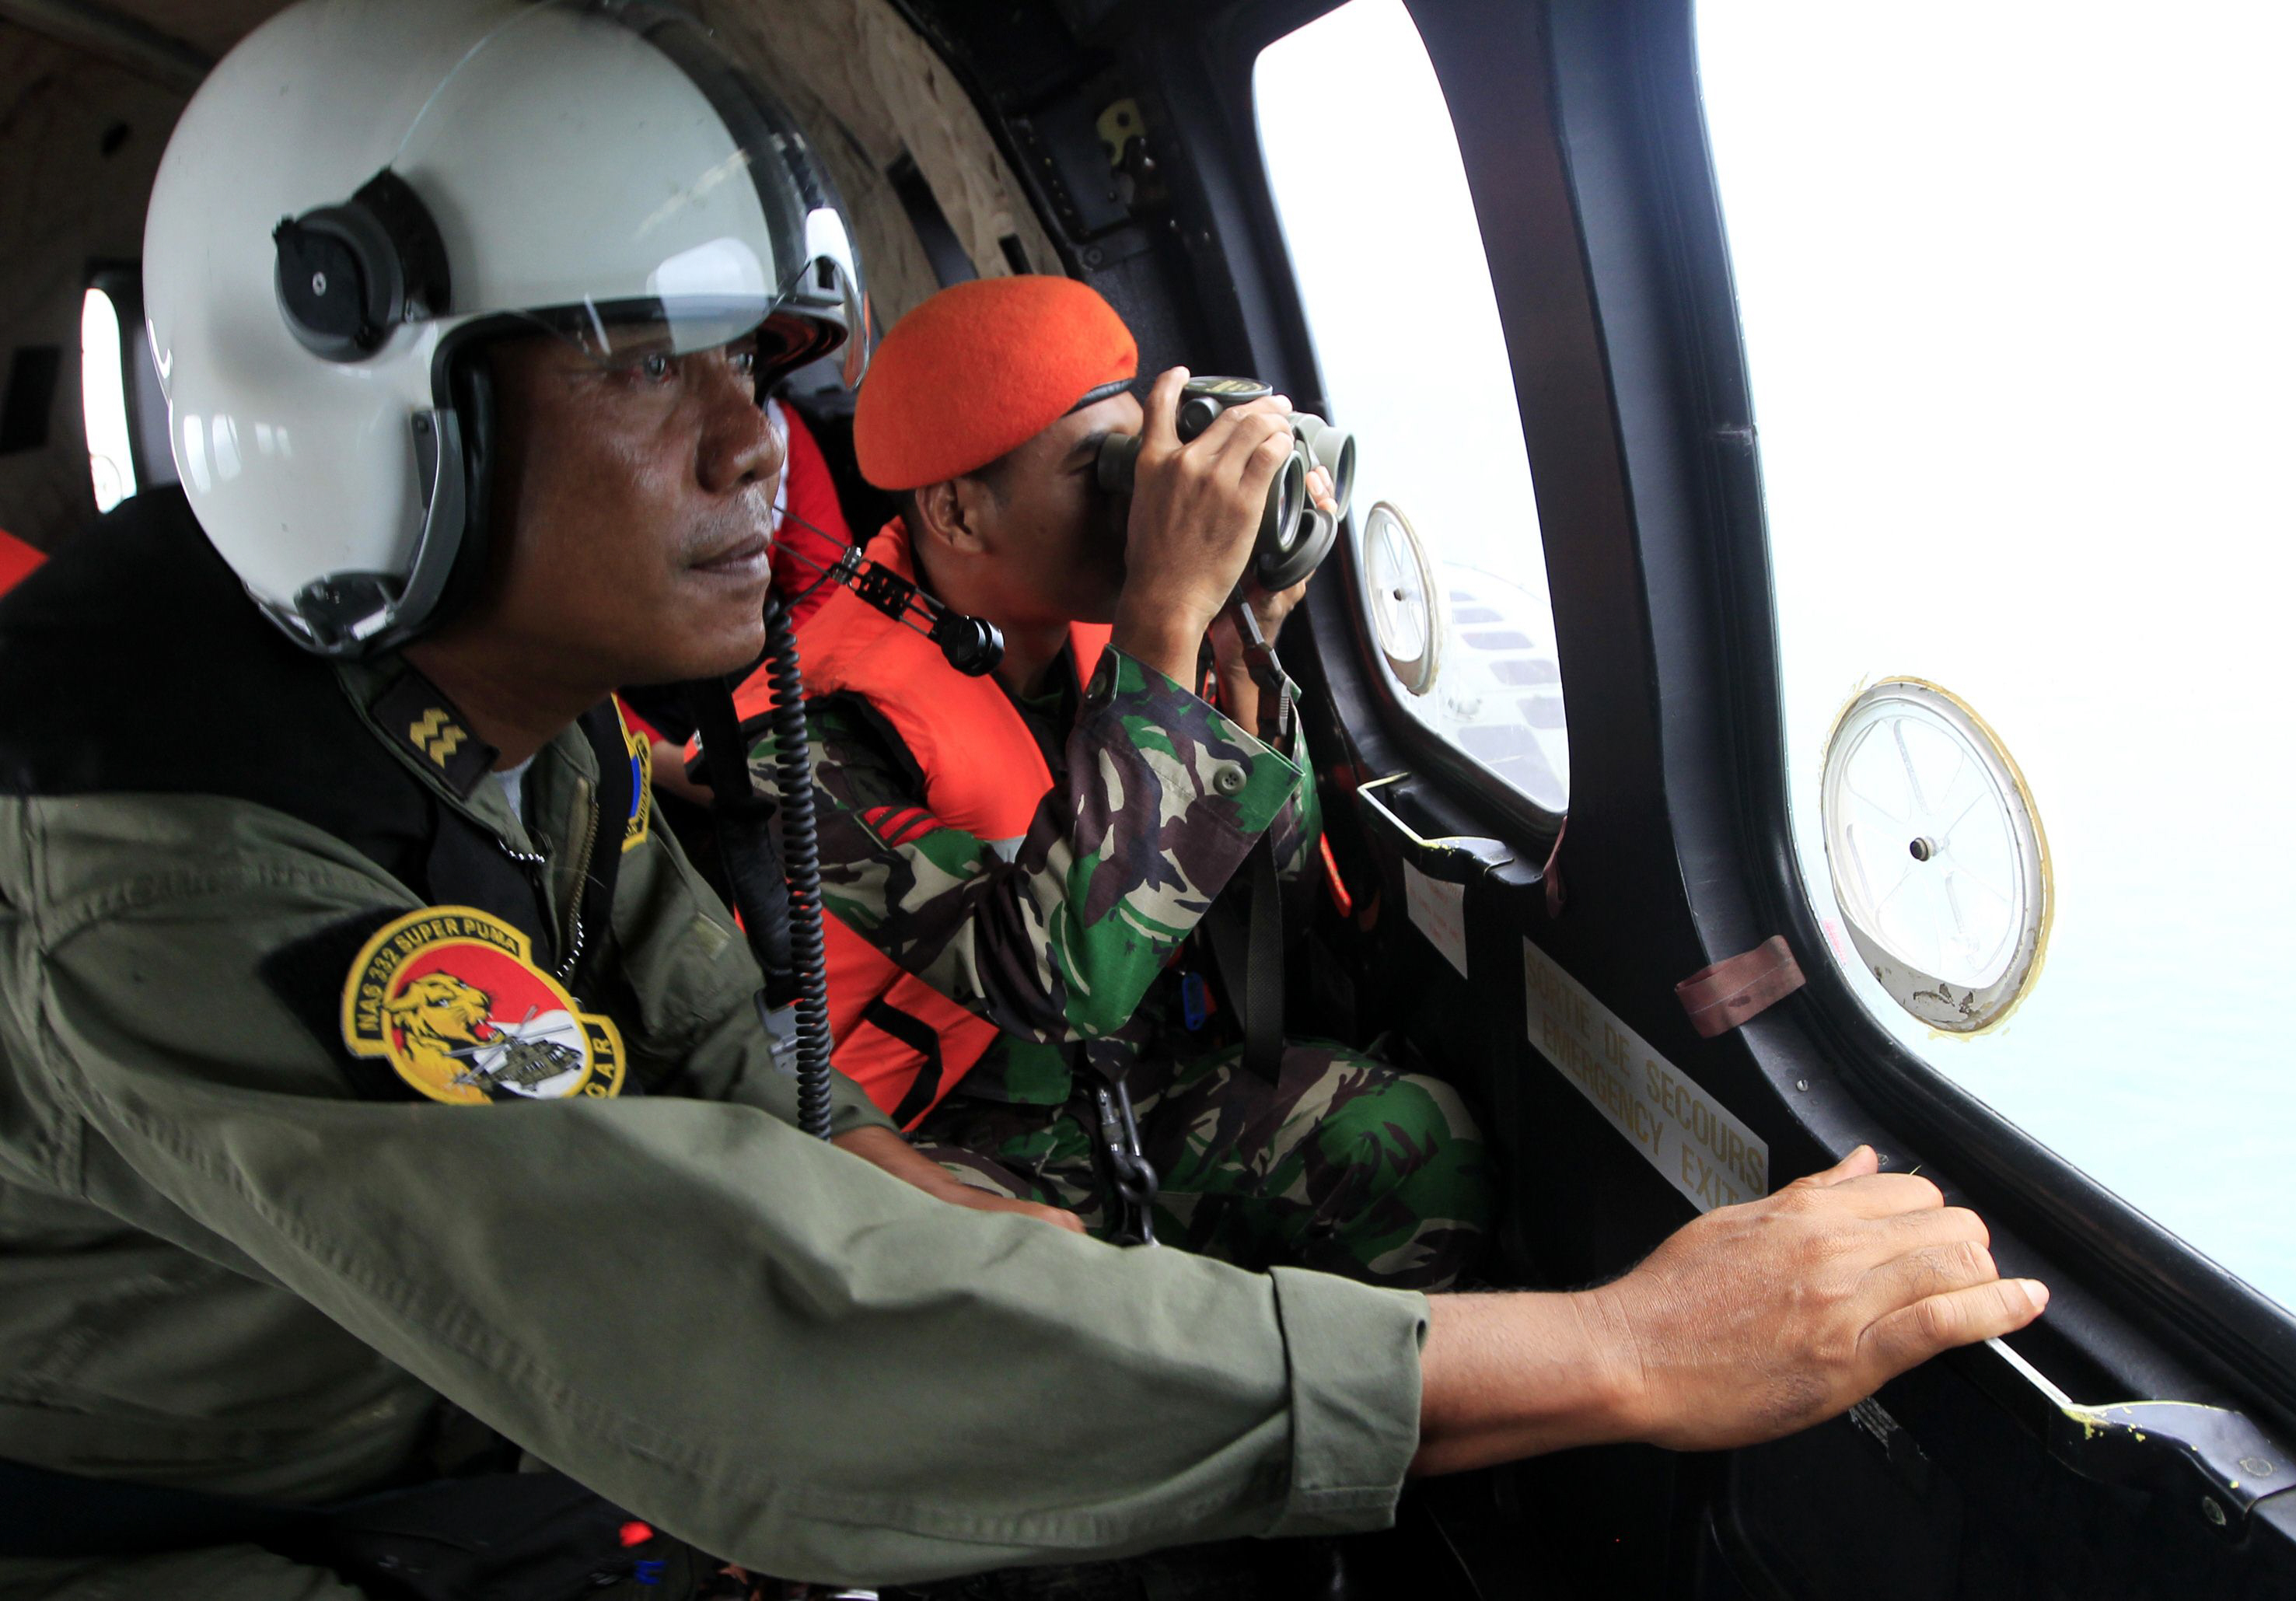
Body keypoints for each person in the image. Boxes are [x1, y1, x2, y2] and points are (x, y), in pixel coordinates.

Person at [0, 2, 2047, 1595]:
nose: (759, 453)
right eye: (644, 361)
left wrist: (1226, 641)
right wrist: (1619, 1355)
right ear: (379, 417)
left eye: (759, 364)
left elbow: (740, 1082)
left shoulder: (515, 721)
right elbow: (782, 1272)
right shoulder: (176, 866)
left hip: (519, 1383)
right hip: (213, 1522)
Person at [730, 275, 1491, 1290]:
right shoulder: (808, 726)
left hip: (1129, 1082)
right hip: (942, 1138)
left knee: (1415, 1143)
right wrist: (1170, 611)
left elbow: (1286, 885)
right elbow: (1053, 983)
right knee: (1051, 1299)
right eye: (1106, 473)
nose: (1147, 505)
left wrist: (1241, 647)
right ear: (957, 511)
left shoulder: (1116, 633)